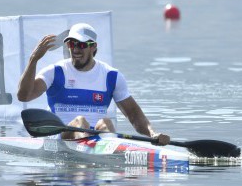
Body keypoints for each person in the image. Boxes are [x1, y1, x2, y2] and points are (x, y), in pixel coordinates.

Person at [17, 23, 170, 145]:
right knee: (80, 121)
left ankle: (106, 153)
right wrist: (33, 59)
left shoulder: (111, 76)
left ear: (93, 47)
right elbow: (24, 96)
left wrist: (152, 134)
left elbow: (134, 115)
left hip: (98, 142)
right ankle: (94, 152)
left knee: (106, 122)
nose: (76, 49)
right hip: (60, 139)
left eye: (82, 45)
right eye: (72, 44)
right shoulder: (55, 72)